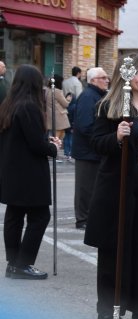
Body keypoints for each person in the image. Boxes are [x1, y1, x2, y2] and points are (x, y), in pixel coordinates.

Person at [83, 55, 138, 319]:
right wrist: (115, 137)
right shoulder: (109, 107)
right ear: (125, 77)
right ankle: (108, 311)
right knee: (115, 252)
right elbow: (95, 142)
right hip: (117, 189)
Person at [0, 65, 61, 280]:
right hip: (29, 173)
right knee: (39, 216)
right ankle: (22, 263)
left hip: (11, 170)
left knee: (15, 216)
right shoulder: (29, 107)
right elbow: (36, 144)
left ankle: (13, 263)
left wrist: (45, 141)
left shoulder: (9, 105)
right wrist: (52, 147)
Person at [71, 67, 109, 229]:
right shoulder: (88, 96)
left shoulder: (98, 96)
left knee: (93, 187)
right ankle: (82, 219)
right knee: (85, 188)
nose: (107, 80)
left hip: (93, 151)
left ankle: (89, 217)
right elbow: (84, 125)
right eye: (103, 77)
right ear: (93, 80)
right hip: (87, 151)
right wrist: (101, 138)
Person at [44, 74, 71, 149]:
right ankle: (53, 154)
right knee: (58, 138)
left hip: (51, 116)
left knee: (53, 137)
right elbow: (65, 104)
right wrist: (68, 99)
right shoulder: (57, 91)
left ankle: (53, 154)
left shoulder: (47, 90)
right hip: (59, 117)